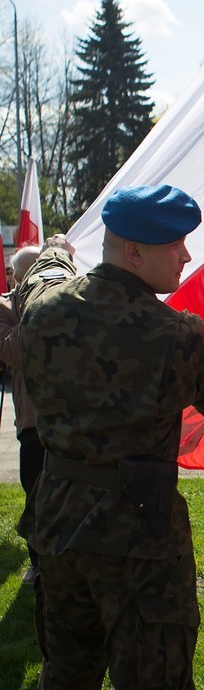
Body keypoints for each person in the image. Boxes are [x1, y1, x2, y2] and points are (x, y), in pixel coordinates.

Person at [17, 184, 204, 690]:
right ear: (135, 252)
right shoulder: (179, 335)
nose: (187, 255)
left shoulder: (42, 312)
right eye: (175, 244)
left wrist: (55, 250)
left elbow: (39, 277)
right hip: (138, 540)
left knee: (66, 674)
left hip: (58, 526)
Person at [0, 245, 42, 583]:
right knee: (35, 492)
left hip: (70, 417)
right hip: (32, 420)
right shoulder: (4, 306)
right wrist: (38, 307)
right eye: (29, 274)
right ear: (15, 277)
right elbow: (11, 350)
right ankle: (38, 561)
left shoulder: (63, 297)